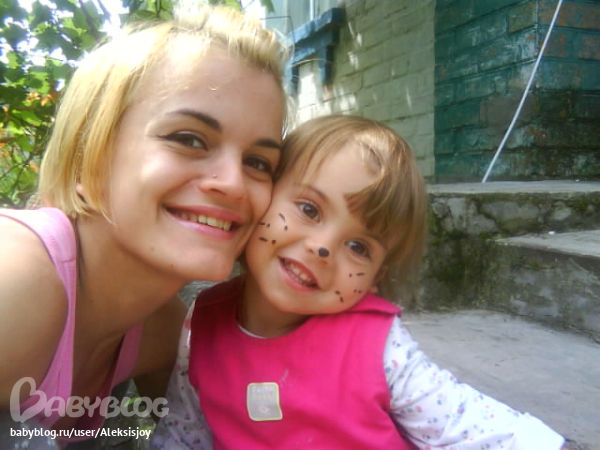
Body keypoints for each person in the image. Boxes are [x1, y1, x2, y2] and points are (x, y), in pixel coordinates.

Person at [151, 114, 569, 450]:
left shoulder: (378, 345)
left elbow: (469, 426)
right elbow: (184, 432)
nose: (323, 248)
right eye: (309, 209)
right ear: (265, 193)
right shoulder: (202, 321)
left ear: (374, 278)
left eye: (358, 247)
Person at [0, 3, 288, 447]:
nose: (233, 183)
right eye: (189, 139)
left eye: (258, 162)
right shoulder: (16, 279)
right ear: (89, 156)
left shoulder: (161, 331)